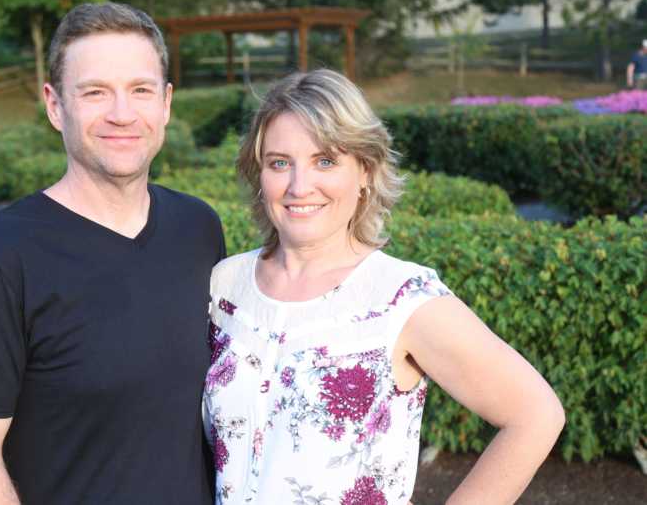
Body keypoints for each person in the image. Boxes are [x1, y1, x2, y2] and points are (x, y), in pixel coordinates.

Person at [203, 69, 565, 505]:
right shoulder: (226, 285)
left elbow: (536, 414)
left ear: (366, 173)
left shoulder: (401, 298)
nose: (299, 186)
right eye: (280, 162)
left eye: (325, 161)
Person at [0, 3, 225, 504]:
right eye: (95, 92)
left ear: (166, 104)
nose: (122, 113)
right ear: (54, 105)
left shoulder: (198, 228)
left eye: (140, 90)